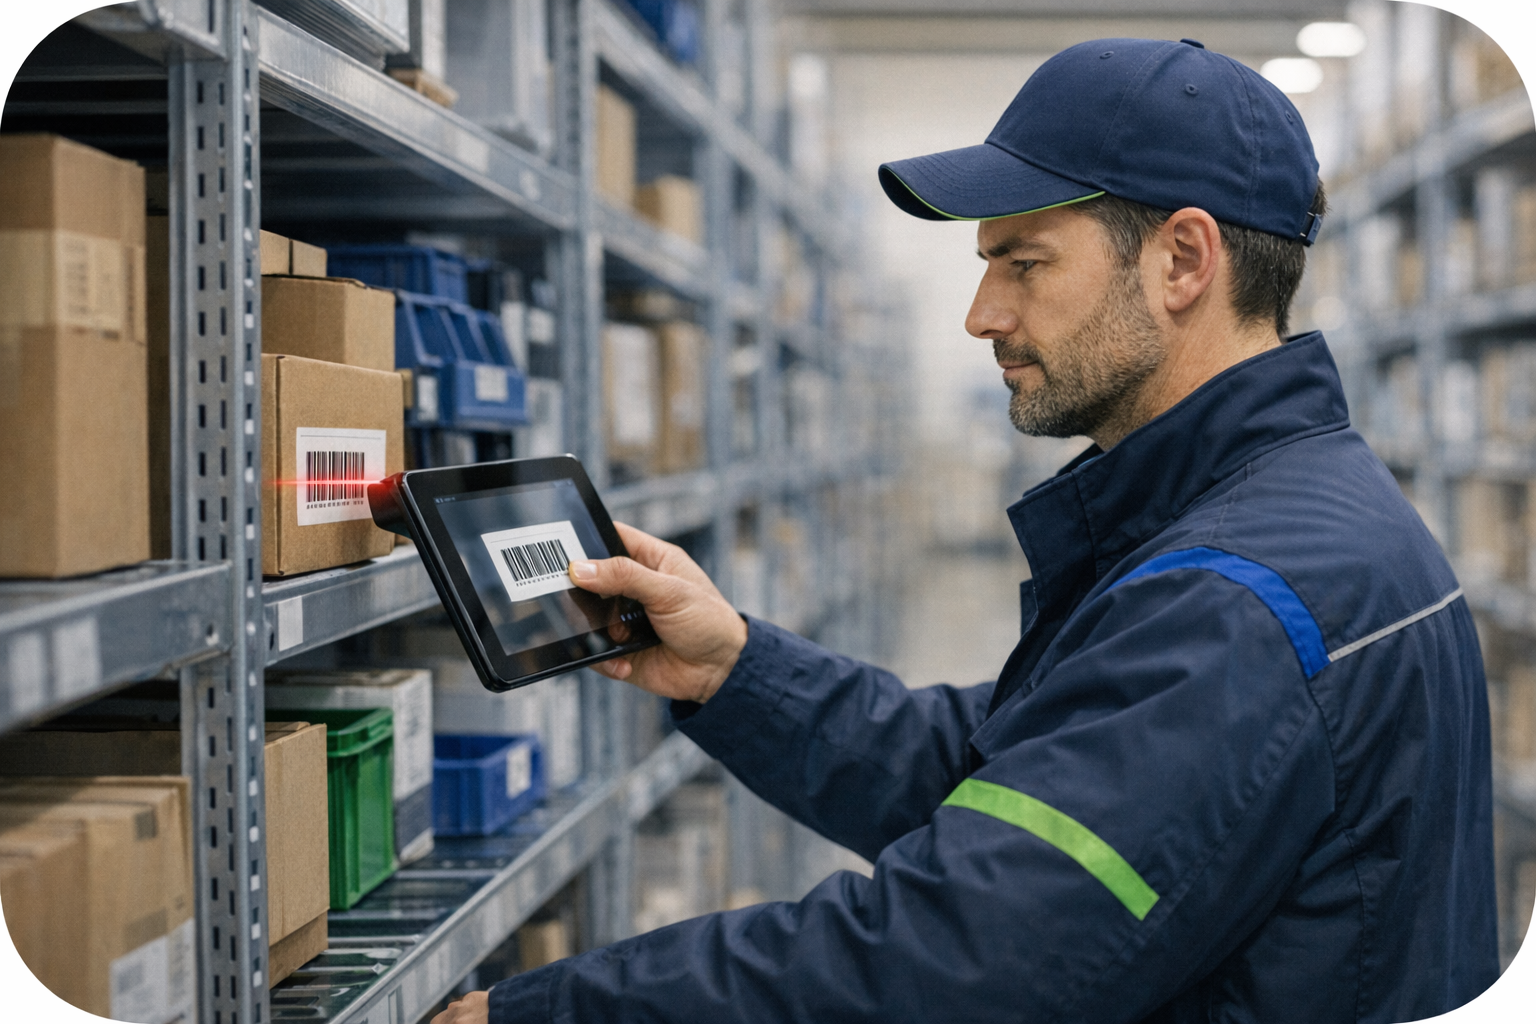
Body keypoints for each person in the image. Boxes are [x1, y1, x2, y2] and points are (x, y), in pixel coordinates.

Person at [435, 37, 1498, 1024]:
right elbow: (1018, 780)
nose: (981, 314)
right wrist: (737, 669)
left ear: (1183, 261)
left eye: (1024, 263)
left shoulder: (1240, 599)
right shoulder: (1266, 516)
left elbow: (948, 961)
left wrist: (538, 1013)